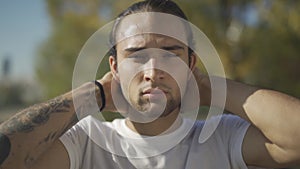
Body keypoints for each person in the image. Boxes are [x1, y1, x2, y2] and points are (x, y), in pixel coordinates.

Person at [1, 0, 300, 169]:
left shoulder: (221, 137)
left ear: (191, 65)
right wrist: (91, 95)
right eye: (137, 55)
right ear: (115, 67)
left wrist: (207, 88)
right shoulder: (85, 141)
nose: (153, 70)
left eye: (171, 54)